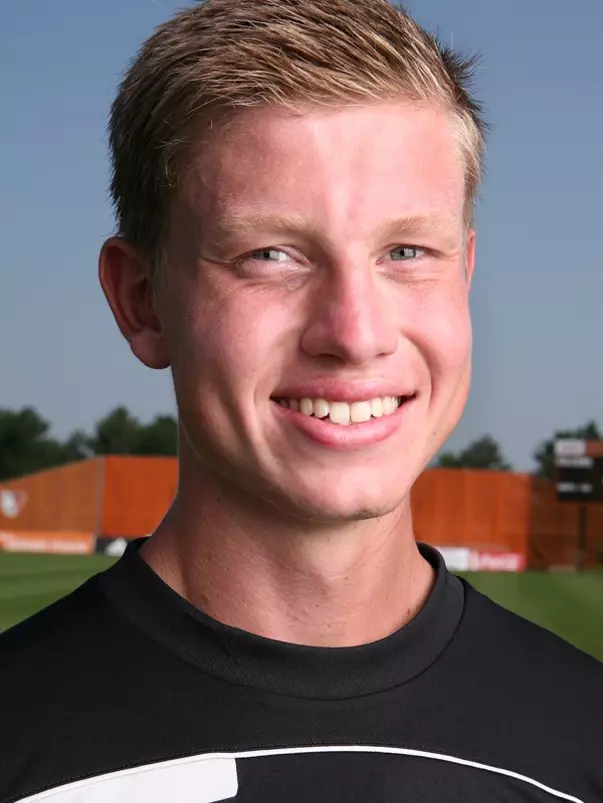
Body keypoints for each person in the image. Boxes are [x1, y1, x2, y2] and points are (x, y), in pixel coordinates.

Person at [1, 0, 601, 800]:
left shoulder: (585, 735)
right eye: (271, 254)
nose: (354, 333)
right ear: (142, 300)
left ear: (462, 273)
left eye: (406, 251)